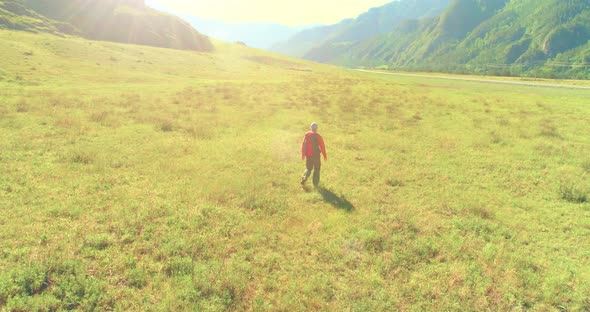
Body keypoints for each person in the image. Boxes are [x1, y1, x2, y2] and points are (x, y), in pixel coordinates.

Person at [301, 122, 327, 187]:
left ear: (311, 128)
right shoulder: (318, 136)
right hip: (316, 156)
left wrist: (303, 155)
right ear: (316, 128)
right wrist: (324, 155)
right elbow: (322, 146)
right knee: (317, 169)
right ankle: (315, 184)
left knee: (308, 168)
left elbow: (303, 145)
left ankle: (305, 177)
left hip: (308, 155)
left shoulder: (307, 135)